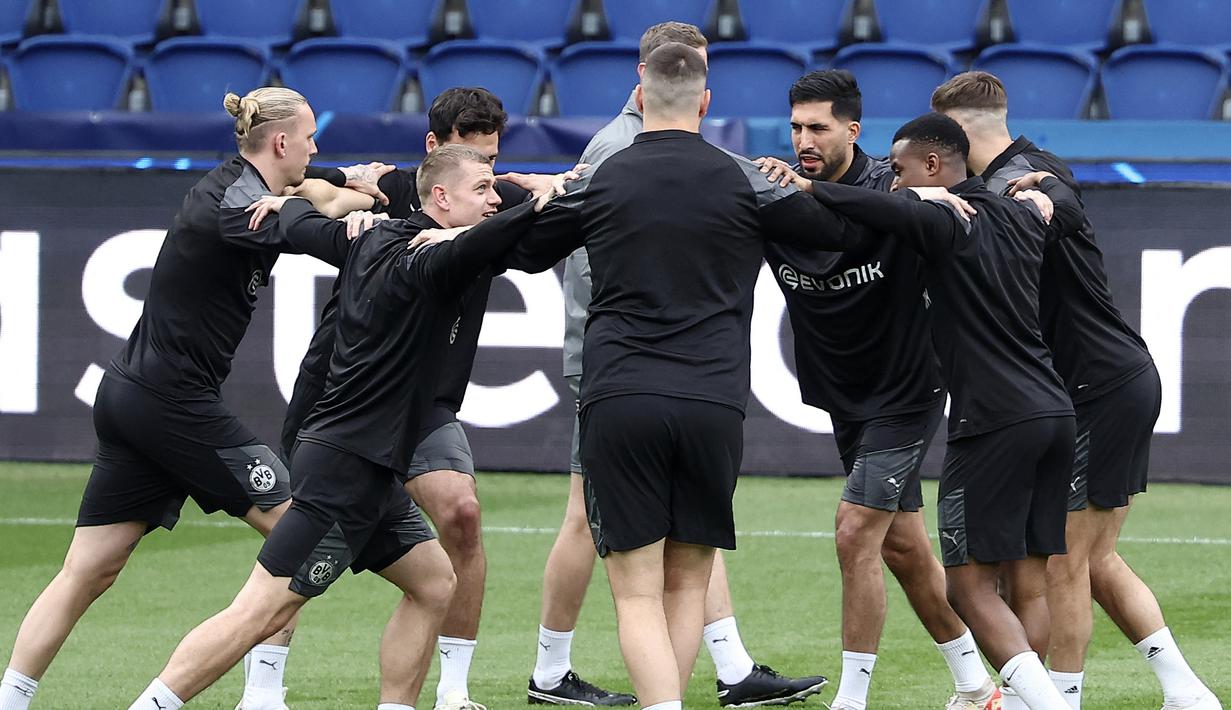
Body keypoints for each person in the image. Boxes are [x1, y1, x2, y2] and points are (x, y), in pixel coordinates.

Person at [124, 144, 554, 710]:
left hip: (369, 465)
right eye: (483, 189)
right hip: (347, 468)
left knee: (433, 582)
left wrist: (286, 203)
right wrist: (545, 200)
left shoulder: (373, 236)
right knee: (260, 609)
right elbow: (490, 241)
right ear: (442, 199)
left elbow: (306, 219)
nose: (495, 198)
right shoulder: (423, 258)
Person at [504, 42, 860, 710]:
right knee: (687, 584)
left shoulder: (602, 172)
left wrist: (528, 202)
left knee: (635, 591)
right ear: (705, 103)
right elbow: (833, 232)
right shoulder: (741, 176)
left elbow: (525, 255)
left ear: (640, 97)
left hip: (619, 394)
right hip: (711, 398)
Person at [0, 87, 352, 710]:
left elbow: (308, 187)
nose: (314, 146)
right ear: (279, 142)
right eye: (308, 136)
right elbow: (318, 231)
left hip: (131, 396)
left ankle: (11, 699)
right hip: (172, 402)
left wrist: (346, 180)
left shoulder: (233, 184)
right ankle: (258, 694)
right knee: (302, 530)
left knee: (89, 570)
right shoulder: (235, 206)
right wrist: (363, 214)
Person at [932, 71, 1222, 710]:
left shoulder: (1032, 172)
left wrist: (1044, 201)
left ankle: (1061, 699)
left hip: (1100, 387)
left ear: (957, 131)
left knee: (1061, 562)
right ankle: (1187, 692)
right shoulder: (987, 186)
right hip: (1104, 384)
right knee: (1093, 560)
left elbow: (1060, 201)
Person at [776, 111, 1084, 709]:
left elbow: (880, 212)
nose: (892, 181)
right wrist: (1048, 190)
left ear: (935, 167)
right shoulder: (1021, 213)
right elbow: (1065, 203)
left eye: (899, 170)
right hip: (1054, 409)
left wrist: (812, 186)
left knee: (969, 588)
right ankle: (1004, 698)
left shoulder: (945, 218)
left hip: (992, 420)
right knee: (1028, 579)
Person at [277, 87, 536, 710]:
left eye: (494, 164)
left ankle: (452, 691)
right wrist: (348, 194)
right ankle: (262, 691)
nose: (489, 181)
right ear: (434, 155)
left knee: (462, 515)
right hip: (349, 398)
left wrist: (543, 184)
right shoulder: (392, 194)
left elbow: (567, 193)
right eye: (473, 163)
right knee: (295, 541)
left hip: (426, 400)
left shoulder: (498, 200)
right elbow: (303, 194)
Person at [758, 69, 997, 710]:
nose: (804, 139)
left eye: (819, 127)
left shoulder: (890, 186)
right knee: (903, 548)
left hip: (908, 388)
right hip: (844, 392)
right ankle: (977, 684)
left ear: (852, 130)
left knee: (854, 531)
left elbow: (945, 195)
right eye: (796, 128)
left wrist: (938, 197)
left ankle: (852, 699)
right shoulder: (777, 191)